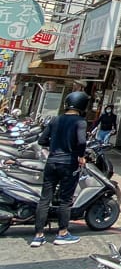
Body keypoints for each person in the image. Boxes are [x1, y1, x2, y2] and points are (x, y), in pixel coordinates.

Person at [30, 90, 89, 247]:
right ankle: (62, 233)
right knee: (65, 200)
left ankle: (38, 235)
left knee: (44, 199)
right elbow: (82, 142)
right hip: (68, 164)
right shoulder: (80, 122)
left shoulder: (55, 120)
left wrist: (55, 146)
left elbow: (42, 140)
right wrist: (80, 156)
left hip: (52, 162)